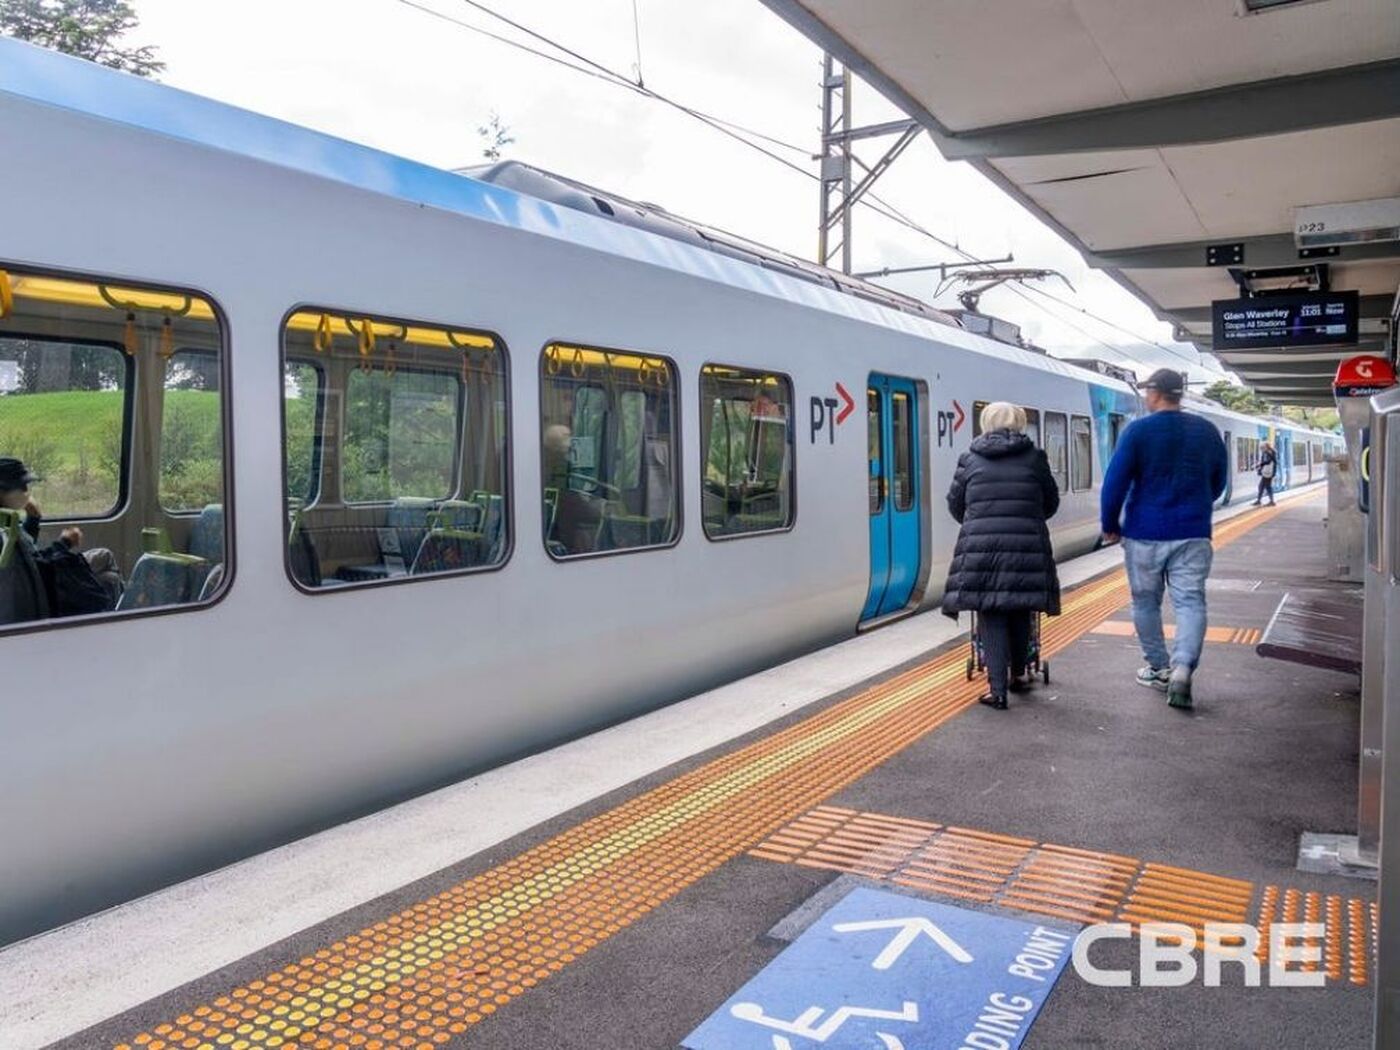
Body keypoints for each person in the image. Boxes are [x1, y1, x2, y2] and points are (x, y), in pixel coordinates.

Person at [1100, 369, 1228, 710]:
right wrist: (1196, 503)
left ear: (1156, 393)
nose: (1145, 396)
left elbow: (1115, 482)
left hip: (1145, 533)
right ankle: (1183, 668)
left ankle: (1159, 668)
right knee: (1190, 602)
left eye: (1147, 391)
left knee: (1145, 602)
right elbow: (1219, 483)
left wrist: (1110, 524)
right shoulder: (1206, 430)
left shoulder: (1138, 431)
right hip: (1193, 532)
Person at [942, 402, 1061, 710]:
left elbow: (956, 505)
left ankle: (997, 692)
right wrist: (1028, 519)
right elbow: (1050, 503)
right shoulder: (1035, 458)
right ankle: (1019, 674)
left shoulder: (969, 459)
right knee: (1020, 609)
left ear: (985, 423)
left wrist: (978, 522)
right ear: (1020, 423)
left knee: (990, 615)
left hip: (981, 551)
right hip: (1026, 548)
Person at [0, 457, 121, 616]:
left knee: (107, 567)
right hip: (45, 589)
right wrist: (65, 543)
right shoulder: (4, 529)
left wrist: (33, 519)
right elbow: (36, 568)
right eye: (20, 487)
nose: (26, 491)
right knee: (107, 568)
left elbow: (26, 555)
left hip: (41, 580)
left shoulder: (7, 522)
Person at [1253, 441, 1277, 506]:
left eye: (1262, 448)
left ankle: (1270, 501)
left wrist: (1260, 464)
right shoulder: (1270, 452)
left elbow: (1268, 462)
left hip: (1268, 473)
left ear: (1266, 447)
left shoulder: (1269, 453)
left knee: (1265, 486)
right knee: (1263, 486)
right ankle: (1261, 500)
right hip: (1269, 472)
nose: (1261, 449)